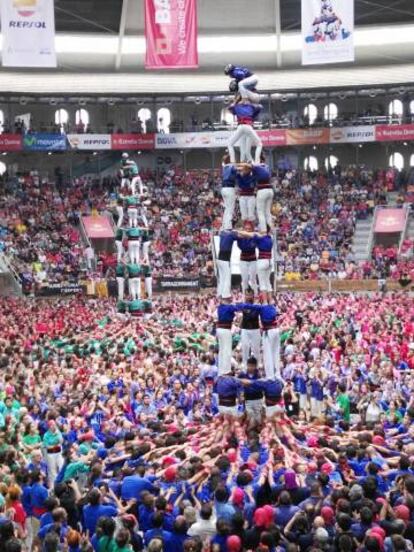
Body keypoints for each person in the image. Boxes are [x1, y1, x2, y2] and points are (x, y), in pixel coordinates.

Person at [228, 99, 263, 164]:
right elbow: (260, 107)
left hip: (240, 127)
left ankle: (232, 162)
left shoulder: (237, 106)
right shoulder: (250, 107)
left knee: (230, 144)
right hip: (248, 127)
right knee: (259, 144)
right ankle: (256, 163)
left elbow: (230, 107)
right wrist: (251, 104)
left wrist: (235, 102)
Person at [216, 300, 242, 375]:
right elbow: (238, 308)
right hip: (225, 330)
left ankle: (221, 371)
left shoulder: (220, 307)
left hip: (219, 330)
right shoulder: (229, 307)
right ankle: (226, 370)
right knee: (227, 351)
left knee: (221, 351)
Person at [239, 289, 261, 368]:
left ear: (253, 295)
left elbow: (253, 315)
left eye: (250, 295)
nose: (248, 296)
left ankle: (257, 366)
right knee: (245, 347)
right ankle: (245, 366)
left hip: (255, 328)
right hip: (245, 329)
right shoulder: (243, 305)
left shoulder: (257, 305)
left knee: (256, 349)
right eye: (247, 295)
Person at [251, 157, 274, 232]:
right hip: (270, 190)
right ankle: (271, 229)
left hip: (262, 190)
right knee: (267, 212)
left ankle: (264, 230)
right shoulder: (266, 166)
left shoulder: (257, 166)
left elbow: (251, 168)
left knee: (260, 212)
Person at [42, 421, 64, 487]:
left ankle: (62, 482)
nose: (54, 426)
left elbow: (61, 442)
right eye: (52, 425)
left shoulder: (58, 432)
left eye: (54, 425)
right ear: (49, 427)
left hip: (58, 453)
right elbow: (47, 446)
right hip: (50, 454)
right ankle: (54, 485)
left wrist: (57, 435)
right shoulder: (46, 435)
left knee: (61, 466)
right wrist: (56, 445)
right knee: (52, 470)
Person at [216, 230, 237, 300]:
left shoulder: (222, 233)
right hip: (225, 259)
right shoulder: (231, 235)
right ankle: (225, 294)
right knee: (227, 277)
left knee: (222, 278)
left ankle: (219, 293)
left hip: (219, 258)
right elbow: (238, 236)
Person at [237, 230, 258, 295]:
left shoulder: (254, 236)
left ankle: (255, 295)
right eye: (246, 230)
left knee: (253, 280)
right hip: (243, 260)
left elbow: (252, 246)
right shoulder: (241, 238)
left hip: (253, 260)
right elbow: (242, 247)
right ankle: (244, 296)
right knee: (244, 279)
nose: (247, 232)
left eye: (249, 229)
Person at [221, 155, 237, 230]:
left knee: (227, 208)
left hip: (223, 189)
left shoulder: (224, 166)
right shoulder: (231, 166)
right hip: (229, 189)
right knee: (230, 209)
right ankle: (228, 227)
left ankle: (224, 225)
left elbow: (224, 162)